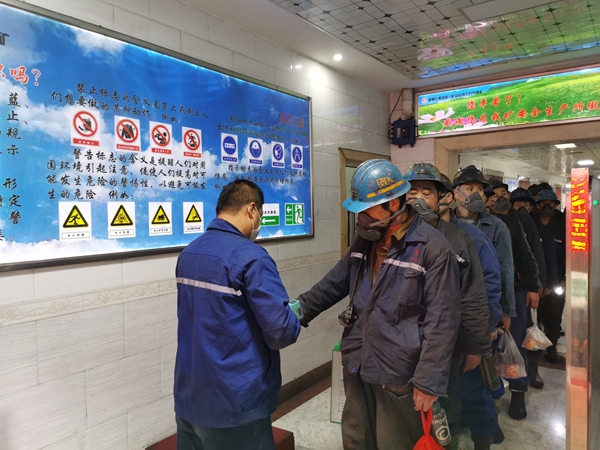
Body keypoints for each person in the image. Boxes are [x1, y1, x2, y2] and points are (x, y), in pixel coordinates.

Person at [297, 159, 461, 450]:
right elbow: (334, 282)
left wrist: (428, 381)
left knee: (394, 442)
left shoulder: (431, 248)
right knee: (357, 438)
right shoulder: (365, 242)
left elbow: (443, 320)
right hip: (358, 361)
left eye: (366, 210)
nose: (360, 218)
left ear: (394, 204)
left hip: (399, 372)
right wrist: (298, 310)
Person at [174, 179, 301, 450]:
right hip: (236, 405)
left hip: (189, 397)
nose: (259, 223)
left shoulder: (188, 253)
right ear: (252, 210)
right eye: (260, 215)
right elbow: (280, 331)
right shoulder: (251, 257)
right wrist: (293, 313)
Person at [404, 163, 499, 450]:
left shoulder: (459, 239)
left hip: (448, 343)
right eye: (411, 193)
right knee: (408, 413)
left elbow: (474, 294)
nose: (418, 200)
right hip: (405, 344)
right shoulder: (395, 236)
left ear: (441, 198)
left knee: (447, 408)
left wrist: (476, 346)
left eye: (426, 193)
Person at [483, 178, 540, 420]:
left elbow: (527, 255)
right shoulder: (473, 224)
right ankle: (491, 392)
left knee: (513, 344)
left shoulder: (513, 223)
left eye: (502, 194)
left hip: (513, 291)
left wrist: (533, 286)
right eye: (493, 195)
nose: (498, 199)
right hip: (484, 294)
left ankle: (518, 392)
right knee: (486, 348)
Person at [533, 189, 566, 364]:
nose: (546, 206)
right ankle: (534, 349)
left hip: (556, 280)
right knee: (534, 317)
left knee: (554, 316)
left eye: (550, 203)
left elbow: (568, 253)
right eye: (542, 203)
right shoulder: (531, 225)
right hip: (535, 279)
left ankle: (551, 349)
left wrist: (564, 278)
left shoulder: (562, 227)